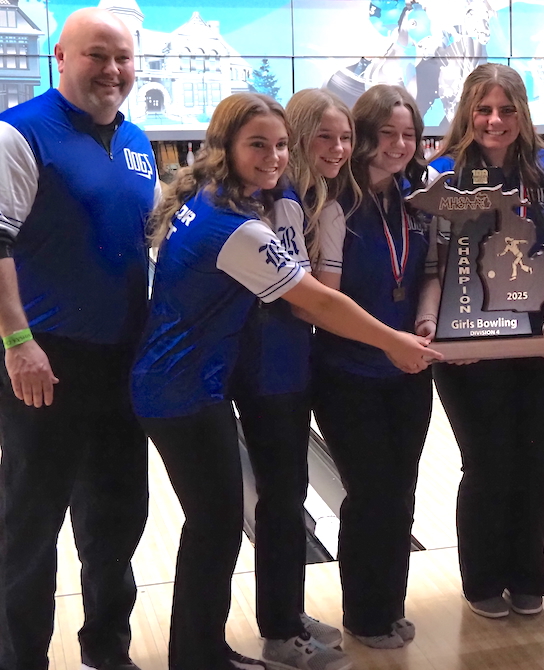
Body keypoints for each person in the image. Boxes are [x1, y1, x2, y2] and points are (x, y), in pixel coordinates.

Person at [131, 92, 439, 670]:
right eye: (260, 145)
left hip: (196, 381)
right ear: (225, 147)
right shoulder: (239, 224)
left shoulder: (222, 197)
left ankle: (233, 640)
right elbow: (314, 300)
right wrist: (394, 341)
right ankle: (206, 653)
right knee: (220, 525)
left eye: (279, 146)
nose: (274, 157)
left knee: (232, 519)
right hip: (186, 387)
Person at [0, 9, 154, 669]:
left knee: (118, 512)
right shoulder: (19, 134)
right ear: (60, 56)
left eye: (122, 57)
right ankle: (19, 657)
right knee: (32, 521)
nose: (112, 70)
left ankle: (107, 649)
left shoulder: (138, 139)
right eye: (97, 56)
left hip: (123, 358)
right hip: (46, 357)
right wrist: (16, 343)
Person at [427, 63, 544, 618]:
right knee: (488, 461)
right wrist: (447, 330)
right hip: (471, 347)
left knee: (543, 460)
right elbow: (438, 266)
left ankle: (529, 577)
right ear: (468, 112)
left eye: (507, 109)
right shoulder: (441, 175)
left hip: (539, 341)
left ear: (523, 113)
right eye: (485, 109)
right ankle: (484, 581)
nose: (496, 120)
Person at [223, 88, 353, 669]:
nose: (337, 148)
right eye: (321, 136)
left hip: (283, 366)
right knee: (277, 500)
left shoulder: (293, 196)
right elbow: (306, 301)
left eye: (344, 137)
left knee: (285, 496)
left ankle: (287, 614)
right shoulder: (280, 200)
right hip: (264, 369)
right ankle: (278, 630)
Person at [305, 85, 437, 649]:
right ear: (362, 138)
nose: (400, 145)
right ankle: (364, 612)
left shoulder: (419, 195)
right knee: (371, 491)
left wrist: (425, 320)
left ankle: (390, 605)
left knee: (401, 489)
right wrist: (389, 341)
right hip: (348, 374)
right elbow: (326, 302)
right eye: (387, 134)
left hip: (409, 371)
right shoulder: (338, 205)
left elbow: (431, 271)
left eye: (409, 135)